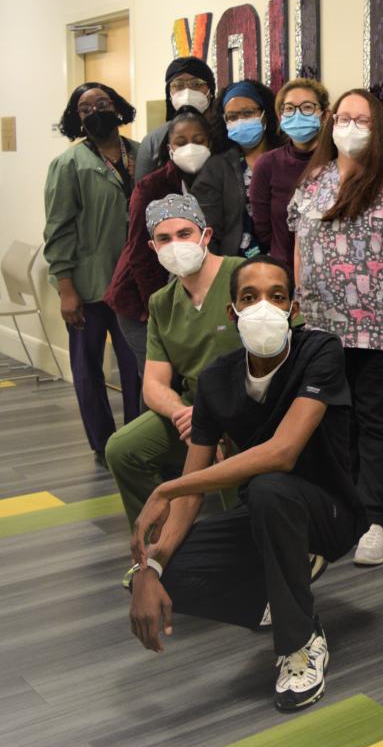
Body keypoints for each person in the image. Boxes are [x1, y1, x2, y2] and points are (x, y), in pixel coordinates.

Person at [126, 255, 363, 713]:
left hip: (330, 514)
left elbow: (282, 452)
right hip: (263, 514)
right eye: (249, 298)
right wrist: (148, 569)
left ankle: (298, 644)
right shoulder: (217, 379)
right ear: (232, 312)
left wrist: (164, 489)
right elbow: (194, 486)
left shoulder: (320, 352)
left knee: (269, 486)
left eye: (277, 297)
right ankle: (278, 600)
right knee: (163, 571)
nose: (264, 308)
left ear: (293, 309)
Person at [289, 88, 383, 567]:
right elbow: (300, 243)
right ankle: (342, 511)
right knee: (334, 425)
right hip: (324, 327)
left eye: (361, 119)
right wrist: (299, 302)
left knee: (379, 426)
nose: (350, 127)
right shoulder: (316, 178)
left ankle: (374, 521)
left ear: (378, 127)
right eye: (342, 118)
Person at [105, 194, 243, 526]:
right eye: (164, 239)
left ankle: (253, 547)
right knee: (123, 450)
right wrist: (185, 415)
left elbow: (286, 353)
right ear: (153, 248)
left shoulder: (244, 276)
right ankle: (157, 548)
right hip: (195, 410)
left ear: (205, 236)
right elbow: (153, 385)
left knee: (235, 466)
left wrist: (214, 420)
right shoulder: (162, 303)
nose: (175, 245)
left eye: (184, 234)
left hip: (247, 407)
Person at [44, 82, 142, 464]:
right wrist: (66, 289)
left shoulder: (139, 153)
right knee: (88, 368)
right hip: (89, 287)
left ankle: (135, 438)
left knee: (136, 364)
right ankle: (104, 444)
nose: (96, 112)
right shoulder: (68, 165)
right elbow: (58, 230)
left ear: (118, 108)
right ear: (76, 119)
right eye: (85, 109)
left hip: (134, 286)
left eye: (103, 103)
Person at [105, 109, 218, 374]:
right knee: (159, 380)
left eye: (198, 140)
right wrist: (158, 309)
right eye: (181, 142)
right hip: (141, 302)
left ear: (210, 143)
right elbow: (140, 256)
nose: (190, 147)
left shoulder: (218, 179)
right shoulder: (150, 187)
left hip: (190, 299)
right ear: (169, 148)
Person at [194, 79, 282, 257]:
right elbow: (207, 227)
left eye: (248, 113)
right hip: (234, 265)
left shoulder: (285, 159)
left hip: (283, 262)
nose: (241, 121)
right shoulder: (216, 167)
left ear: (265, 114)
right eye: (232, 117)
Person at [250, 78, 329, 262]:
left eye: (307, 107)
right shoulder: (267, 164)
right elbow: (262, 228)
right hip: (284, 268)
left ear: (324, 116)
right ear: (280, 117)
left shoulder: (338, 161)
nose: (297, 115)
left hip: (331, 270)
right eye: (289, 109)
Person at [135, 57, 220, 182]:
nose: (187, 91)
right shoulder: (153, 141)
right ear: (169, 93)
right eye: (178, 85)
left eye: (196, 84)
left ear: (211, 90)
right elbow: (141, 190)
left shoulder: (226, 132)